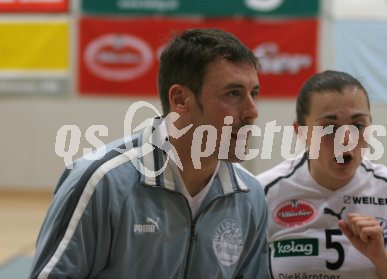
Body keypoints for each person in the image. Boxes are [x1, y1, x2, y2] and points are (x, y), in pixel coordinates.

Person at [30, 28, 271, 279]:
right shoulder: (102, 183)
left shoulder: (250, 196)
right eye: (233, 93)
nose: (252, 111)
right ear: (180, 100)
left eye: (253, 93)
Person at [257, 70, 387, 279]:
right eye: (330, 128)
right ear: (301, 132)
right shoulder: (264, 190)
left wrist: (381, 258)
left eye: (358, 125)